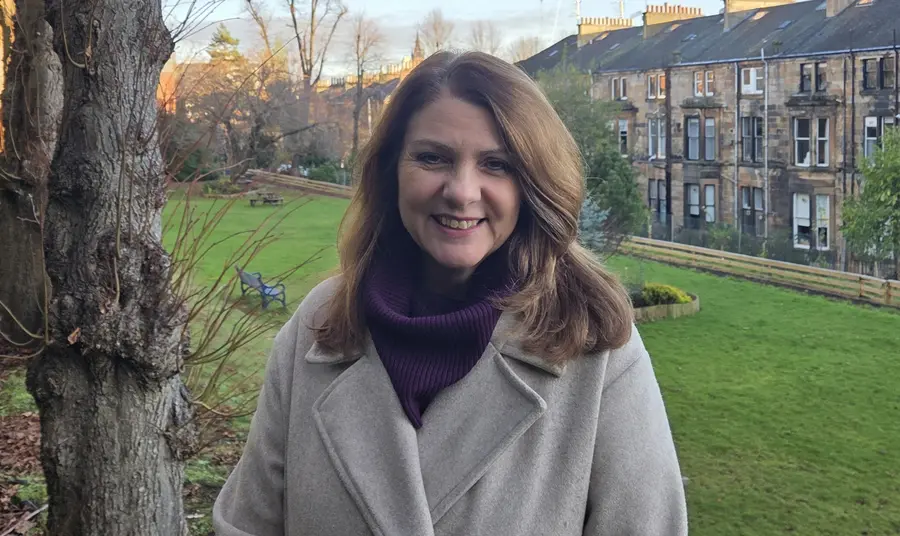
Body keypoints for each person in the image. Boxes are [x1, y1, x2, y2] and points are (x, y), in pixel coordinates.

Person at [213, 51, 688, 536]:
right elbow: (248, 523)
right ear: (391, 169)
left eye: (496, 164)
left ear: (533, 184)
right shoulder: (320, 326)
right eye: (432, 157)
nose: (462, 191)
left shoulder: (597, 350)